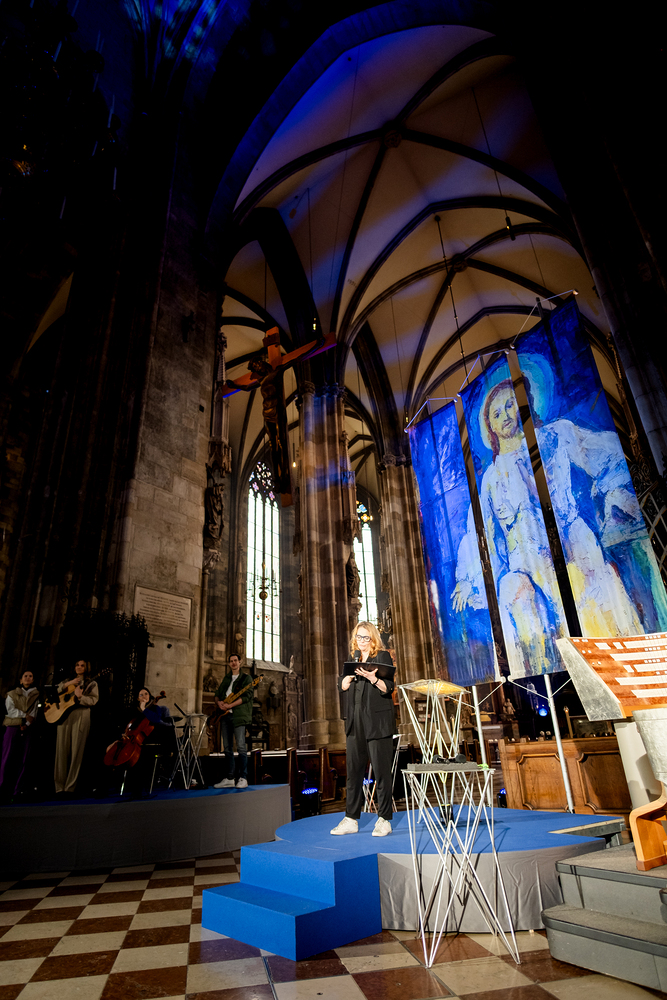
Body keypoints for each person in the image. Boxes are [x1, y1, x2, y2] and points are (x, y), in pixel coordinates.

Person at [453, 379, 565, 678]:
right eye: (496, 413)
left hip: (567, 547)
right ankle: (539, 676)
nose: (504, 415)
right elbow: (479, 534)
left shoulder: (554, 438)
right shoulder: (490, 478)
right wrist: (467, 579)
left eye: (509, 405)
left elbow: (600, 454)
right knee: (513, 592)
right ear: (489, 426)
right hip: (521, 561)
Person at [331, 621, 395, 838]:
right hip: (355, 722)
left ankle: (384, 819)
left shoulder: (382, 657)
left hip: (377, 723)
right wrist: (347, 679)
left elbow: (389, 688)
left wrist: (373, 678)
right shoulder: (353, 660)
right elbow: (341, 686)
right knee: (353, 772)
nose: (362, 641)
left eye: (366, 637)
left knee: (381, 772)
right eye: (359, 637)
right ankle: (351, 819)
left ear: (373, 638)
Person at [54, 659, 99, 795]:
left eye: (82, 665)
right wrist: (69, 683)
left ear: (87, 668)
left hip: (80, 715)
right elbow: (55, 692)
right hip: (64, 715)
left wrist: (80, 698)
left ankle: (70, 787)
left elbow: (93, 700)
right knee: (61, 751)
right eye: (77, 665)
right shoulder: (67, 681)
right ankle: (59, 787)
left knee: (76, 752)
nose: (79, 667)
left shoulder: (91, 683)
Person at [213, 654, 253, 789]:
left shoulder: (246, 678)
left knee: (241, 746)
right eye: (231, 661)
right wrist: (219, 703)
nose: (233, 663)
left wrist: (230, 705)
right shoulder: (227, 678)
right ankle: (230, 778)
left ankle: (243, 777)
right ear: (229, 663)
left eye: (236, 660)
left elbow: (247, 696)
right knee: (227, 748)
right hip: (225, 716)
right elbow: (218, 693)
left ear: (240, 662)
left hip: (238, 715)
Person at [0, 669, 39, 801]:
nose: (28, 678)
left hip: (27, 728)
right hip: (12, 726)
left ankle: (18, 790)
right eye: (25, 676)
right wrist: (24, 717)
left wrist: (26, 724)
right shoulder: (12, 693)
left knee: (24, 758)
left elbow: (33, 713)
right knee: (7, 757)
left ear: (33, 679)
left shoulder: (36, 694)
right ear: (21, 679)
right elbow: (10, 710)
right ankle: (2, 789)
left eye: (30, 676)